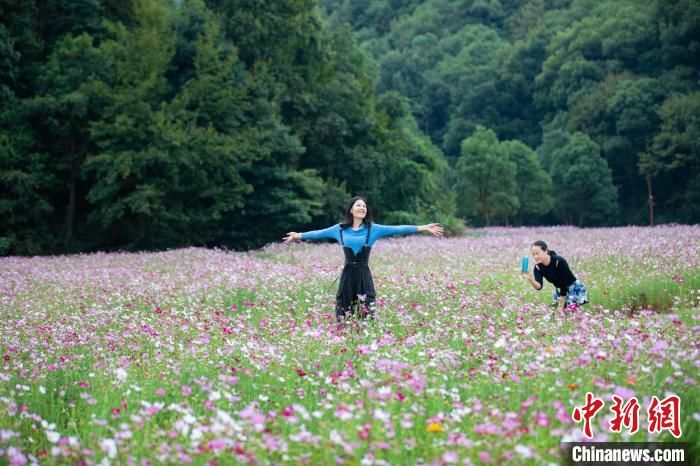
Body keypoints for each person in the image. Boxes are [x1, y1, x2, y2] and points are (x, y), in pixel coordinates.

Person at [283, 196, 444, 322]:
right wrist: (297, 235)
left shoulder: (373, 229)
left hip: (364, 275)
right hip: (347, 276)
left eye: (364, 206)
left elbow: (398, 228)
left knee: (367, 311)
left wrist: (422, 227)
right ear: (351, 210)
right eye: (358, 205)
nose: (362, 207)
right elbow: (319, 233)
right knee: (343, 311)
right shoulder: (339, 229)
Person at [521, 240, 588, 312]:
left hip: (574, 289)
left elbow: (563, 283)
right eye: (533, 254)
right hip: (560, 290)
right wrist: (530, 279)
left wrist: (561, 305)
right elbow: (539, 287)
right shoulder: (537, 268)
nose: (535, 257)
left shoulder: (559, 261)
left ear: (546, 250)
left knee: (569, 312)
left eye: (537, 253)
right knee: (557, 314)